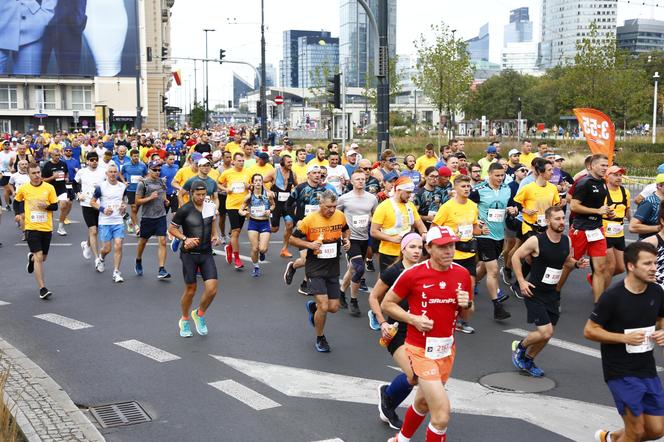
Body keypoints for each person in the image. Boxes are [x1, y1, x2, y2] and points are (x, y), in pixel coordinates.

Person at [381, 226, 473, 442]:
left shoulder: (462, 274)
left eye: (451, 245)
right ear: (429, 248)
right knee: (441, 415)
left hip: (446, 350)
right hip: (420, 350)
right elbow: (387, 304)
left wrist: (466, 304)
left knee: (422, 402)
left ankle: (400, 440)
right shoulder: (412, 274)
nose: (449, 251)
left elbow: (467, 316)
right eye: (442, 247)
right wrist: (413, 319)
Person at [584, 242, 664, 442]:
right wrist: (624, 338)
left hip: (647, 368)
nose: (654, 268)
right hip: (620, 371)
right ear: (631, 266)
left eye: (655, 263)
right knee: (635, 432)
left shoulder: (656, 292)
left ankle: (610, 438)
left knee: (656, 430)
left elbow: (661, 320)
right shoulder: (612, 297)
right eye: (647, 263)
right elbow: (589, 330)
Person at [511, 206, 588, 377]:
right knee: (546, 331)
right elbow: (516, 256)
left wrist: (576, 264)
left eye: (563, 218)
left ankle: (529, 359)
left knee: (546, 336)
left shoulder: (566, 240)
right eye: (557, 219)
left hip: (552, 293)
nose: (562, 222)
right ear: (547, 221)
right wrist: (522, 281)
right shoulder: (536, 241)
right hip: (534, 292)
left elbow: (566, 260)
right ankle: (521, 347)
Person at [368, 233, 422, 429]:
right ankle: (388, 400)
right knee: (413, 375)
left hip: (418, 330)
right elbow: (374, 297)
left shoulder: (424, 271)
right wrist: (382, 322)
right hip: (396, 330)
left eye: (419, 248)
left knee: (414, 377)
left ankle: (388, 397)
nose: (417, 251)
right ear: (403, 249)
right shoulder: (393, 271)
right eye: (412, 247)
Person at [290, 190, 350, 352]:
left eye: (334, 206)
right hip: (315, 266)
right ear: (321, 204)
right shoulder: (310, 220)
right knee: (324, 306)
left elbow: (345, 229)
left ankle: (314, 309)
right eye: (328, 207)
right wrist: (310, 245)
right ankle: (320, 337)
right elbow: (292, 239)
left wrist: (347, 241)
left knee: (334, 307)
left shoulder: (339, 216)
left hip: (333, 266)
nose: (332, 210)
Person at [433, 174, 487, 334]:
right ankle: (441, 315)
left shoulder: (472, 206)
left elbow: (474, 228)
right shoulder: (447, 207)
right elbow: (435, 228)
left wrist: (480, 230)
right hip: (452, 255)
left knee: (469, 286)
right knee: (448, 288)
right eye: (463, 186)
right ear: (455, 188)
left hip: (469, 253)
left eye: (468, 186)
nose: (467, 189)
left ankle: (462, 321)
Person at [168, 181, 221, 338]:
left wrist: (215, 234)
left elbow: (211, 220)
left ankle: (199, 314)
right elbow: (171, 229)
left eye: (204, 194)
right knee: (191, 290)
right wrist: (185, 239)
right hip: (189, 254)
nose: (201, 197)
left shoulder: (209, 206)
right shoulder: (185, 209)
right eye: (198, 195)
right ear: (191, 193)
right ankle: (184, 320)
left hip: (206, 252)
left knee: (212, 289)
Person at [471, 162, 515, 320]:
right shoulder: (479, 191)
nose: (500, 178)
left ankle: (466, 285)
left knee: (484, 268)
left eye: (502, 175)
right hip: (484, 235)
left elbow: (510, 205)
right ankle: (497, 306)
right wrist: (476, 222)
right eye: (497, 175)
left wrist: (513, 209)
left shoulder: (506, 188)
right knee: (494, 270)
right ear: (489, 174)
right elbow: (467, 207)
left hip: (499, 234)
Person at [568, 154, 610, 302]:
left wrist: (606, 213)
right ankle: (554, 293)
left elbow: (598, 206)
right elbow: (573, 205)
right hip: (581, 229)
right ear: (591, 166)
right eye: (602, 165)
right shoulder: (583, 182)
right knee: (569, 264)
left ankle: (598, 305)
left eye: (607, 165)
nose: (605, 168)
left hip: (597, 229)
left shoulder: (603, 182)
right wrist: (597, 211)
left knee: (600, 269)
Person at [15, 162, 59, 299]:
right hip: (31, 227)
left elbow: (55, 206)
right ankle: (42, 288)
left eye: (38, 172)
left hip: (46, 227)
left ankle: (31, 258)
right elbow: (17, 201)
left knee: (42, 258)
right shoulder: (24, 188)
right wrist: (18, 213)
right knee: (39, 256)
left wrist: (46, 206)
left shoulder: (49, 188)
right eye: (33, 173)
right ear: (28, 174)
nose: (37, 175)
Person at [338, 169, 378, 315]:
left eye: (363, 179)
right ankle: (353, 301)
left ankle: (341, 291)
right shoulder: (344, 198)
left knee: (352, 269)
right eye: (357, 179)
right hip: (350, 238)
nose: (361, 181)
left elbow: (375, 216)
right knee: (360, 269)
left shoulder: (372, 198)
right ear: (352, 182)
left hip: (364, 238)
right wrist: (342, 234)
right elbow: (335, 214)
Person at [283, 164, 327, 294]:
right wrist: (296, 220)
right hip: (303, 228)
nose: (318, 175)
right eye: (314, 173)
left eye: (319, 173)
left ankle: (304, 284)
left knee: (315, 258)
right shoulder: (300, 188)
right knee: (305, 259)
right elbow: (287, 205)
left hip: (317, 229)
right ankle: (293, 266)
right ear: (308, 175)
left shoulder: (324, 190)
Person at [371, 177, 427, 272]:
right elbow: (373, 231)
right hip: (389, 253)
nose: (410, 195)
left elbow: (419, 224)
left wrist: (424, 233)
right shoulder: (383, 206)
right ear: (399, 190)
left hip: (407, 253)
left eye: (411, 192)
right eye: (408, 192)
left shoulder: (410, 205)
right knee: (388, 283)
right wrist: (391, 238)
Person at [90, 164, 127, 283]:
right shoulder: (101, 187)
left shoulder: (122, 186)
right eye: (110, 172)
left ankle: (116, 272)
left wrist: (123, 206)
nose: (112, 174)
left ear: (117, 173)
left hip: (118, 220)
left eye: (115, 172)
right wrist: (103, 209)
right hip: (105, 221)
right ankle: (101, 258)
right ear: (106, 174)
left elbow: (123, 200)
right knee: (107, 249)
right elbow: (92, 202)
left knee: (118, 245)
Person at [134, 160, 171, 279]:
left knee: (163, 241)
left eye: (159, 170)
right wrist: (150, 197)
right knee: (143, 242)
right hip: (147, 217)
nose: (157, 172)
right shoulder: (143, 184)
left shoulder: (161, 181)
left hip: (161, 216)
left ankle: (161, 269)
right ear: (149, 170)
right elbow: (137, 201)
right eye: (154, 170)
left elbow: (163, 193)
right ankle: (138, 260)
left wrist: (165, 200)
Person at [218, 152, 250, 270]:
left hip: (243, 206)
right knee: (235, 231)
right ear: (233, 161)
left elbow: (252, 185)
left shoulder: (247, 172)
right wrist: (226, 189)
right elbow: (218, 183)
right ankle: (237, 258)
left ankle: (229, 247)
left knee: (237, 232)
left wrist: (249, 186)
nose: (241, 162)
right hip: (231, 205)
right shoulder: (227, 173)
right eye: (239, 161)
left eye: (242, 161)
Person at [239, 174, 275, 277]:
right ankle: (256, 267)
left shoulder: (268, 195)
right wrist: (244, 213)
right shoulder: (249, 196)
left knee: (262, 248)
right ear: (253, 183)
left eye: (260, 180)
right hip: (253, 223)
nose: (258, 182)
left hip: (264, 222)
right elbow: (240, 209)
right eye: (256, 181)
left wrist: (269, 210)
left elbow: (273, 205)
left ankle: (262, 253)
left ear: (262, 182)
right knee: (255, 248)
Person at [74, 153, 106, 264]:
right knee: (93, 230)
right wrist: (78, 194)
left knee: (95, 230)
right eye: (91, 160)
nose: (94, 161)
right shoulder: (82, 172)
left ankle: (86, 245)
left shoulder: (103, 171)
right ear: (87, 161)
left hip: (99, 205)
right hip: (87, 204)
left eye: (96, 160)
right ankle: (97, 259)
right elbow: (74, 183)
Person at [603, 166, 631, 280]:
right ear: (607, 176)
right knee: (610, 266)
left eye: (620, 175)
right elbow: (596, 210)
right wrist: (606, 213)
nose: (619, 178)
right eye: (615, 175)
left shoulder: (625, 192)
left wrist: (631, 221)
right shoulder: (602, 191)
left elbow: (627, 209)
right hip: (605, 233)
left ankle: (597, 278)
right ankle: (601, 291)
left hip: (619, 233)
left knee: (620, 268)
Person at [271, 154, 297, 258]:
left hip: (287, 205)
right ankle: (262, 230)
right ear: (282, 162)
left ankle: (284, 249)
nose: (291, 164)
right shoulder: (275, 172)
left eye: (291, 162)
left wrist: (295, 191)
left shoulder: (293, 174)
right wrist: (268, 191)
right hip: (276, 204)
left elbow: (297, 186)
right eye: (288, 162)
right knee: (274, 229)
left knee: (290, 225)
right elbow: (262, 181)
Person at [40, 148, 70, 236]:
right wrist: (53, 177)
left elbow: (66, 173)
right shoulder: (47, 165)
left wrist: (66, 178)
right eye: (56, 155)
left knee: (64, 205)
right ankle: (49, 226)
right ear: (51, 155)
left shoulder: (63, 164)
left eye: (59, 155)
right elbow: (43, 180)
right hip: (50, 189)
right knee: (50, 209)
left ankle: (60, 227)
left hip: (61, 188)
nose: (57, 157)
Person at [120, 149, 148, 235]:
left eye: (137, 156)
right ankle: (136, 227)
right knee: (134, 208)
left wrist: (144, 179)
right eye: (134, 156)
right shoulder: (126, 165)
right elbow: (120, 173)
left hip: (140, 190)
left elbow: (146, 175)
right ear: (131, 156)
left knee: (136, 209)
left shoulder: (142, 165)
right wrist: (124, 182)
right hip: (130, 190)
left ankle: (132, 221)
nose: (136, 157)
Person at [630, 174, 664, 240]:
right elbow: (633, 227)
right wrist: (659, 228)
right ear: (659, 186)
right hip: (649, 246)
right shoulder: (649, 202)